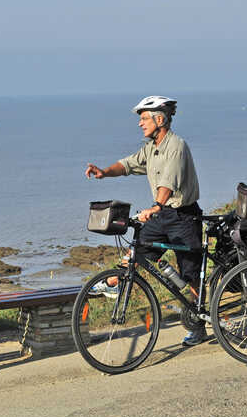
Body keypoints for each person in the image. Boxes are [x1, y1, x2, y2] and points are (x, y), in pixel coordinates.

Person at [85, 96, 206, 346]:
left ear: (159, 119)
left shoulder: (176, 146)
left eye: (144, 118)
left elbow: (168, 184)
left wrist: (156, 206)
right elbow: (129, 164)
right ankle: (113, 283)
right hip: (161, 215)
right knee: (135, 251)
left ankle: (199, 321)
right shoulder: (151, 147)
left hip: (183, 216)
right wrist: (104, 172)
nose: (140, 123)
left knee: (191, 273)